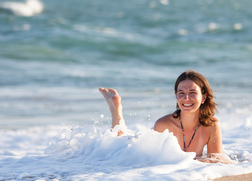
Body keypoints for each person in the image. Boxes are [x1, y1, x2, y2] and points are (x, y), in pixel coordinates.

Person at [99, 70, 233, 164]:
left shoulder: (212, 125)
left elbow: (217, 161)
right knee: (119, 142)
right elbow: (150, 160)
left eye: (192, 92)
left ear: (203, 97)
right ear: (176, 96)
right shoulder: (164, 125)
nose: (186, 98)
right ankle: (116, 109)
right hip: (136, 152)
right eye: (181, 93)